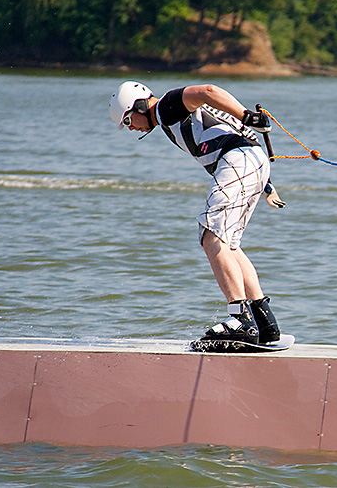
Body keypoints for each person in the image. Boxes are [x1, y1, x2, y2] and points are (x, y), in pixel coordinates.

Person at [109, 81, 285, 352]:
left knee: (210, 237)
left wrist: (246, 115)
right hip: (250, 161)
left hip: (238, 161)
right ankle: (264, 322)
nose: (131, 127)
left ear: (141, 106)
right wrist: (266, 186)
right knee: (229, 245)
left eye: (128, 119)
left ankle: (240, 320)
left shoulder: (166, 107)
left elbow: (207, 91)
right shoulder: (169, 119)